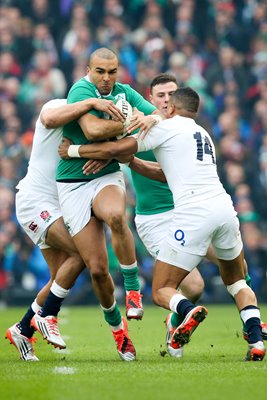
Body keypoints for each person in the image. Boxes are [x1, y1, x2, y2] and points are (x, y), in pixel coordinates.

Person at [59, 87, 266, 361]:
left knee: (160, 290)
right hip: (225, 209)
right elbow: (163, 172)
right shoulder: (202, 133)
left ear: (172, 108)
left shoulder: (167, 128)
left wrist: (74, 150)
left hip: (194, 214)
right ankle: (256, 341)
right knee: (237, 280)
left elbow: (118, 148)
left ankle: (186, 310)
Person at [5, 97, 137, 362]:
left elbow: (123, 153)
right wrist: (90, 103)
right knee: (83, 256)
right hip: (37, 202)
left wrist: (107, 151)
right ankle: (47, 316)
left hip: (65, 204)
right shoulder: (59, 105)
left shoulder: (97, 126)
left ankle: (22, 328)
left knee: (62, 277)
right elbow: (49, 119)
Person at [55, 47, 163, 324]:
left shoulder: (125, 91)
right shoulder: (80, 91)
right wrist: (130, 123)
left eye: (112, 72)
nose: (106, 78)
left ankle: (133, 289)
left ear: (118, 71)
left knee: (117, 215)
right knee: (98, 270)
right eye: (100, 71)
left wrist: (150, 118)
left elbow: (162, 117)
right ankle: (118, 328)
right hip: (73, 181)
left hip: (106, 174)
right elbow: (92, 130)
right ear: (88, 70)